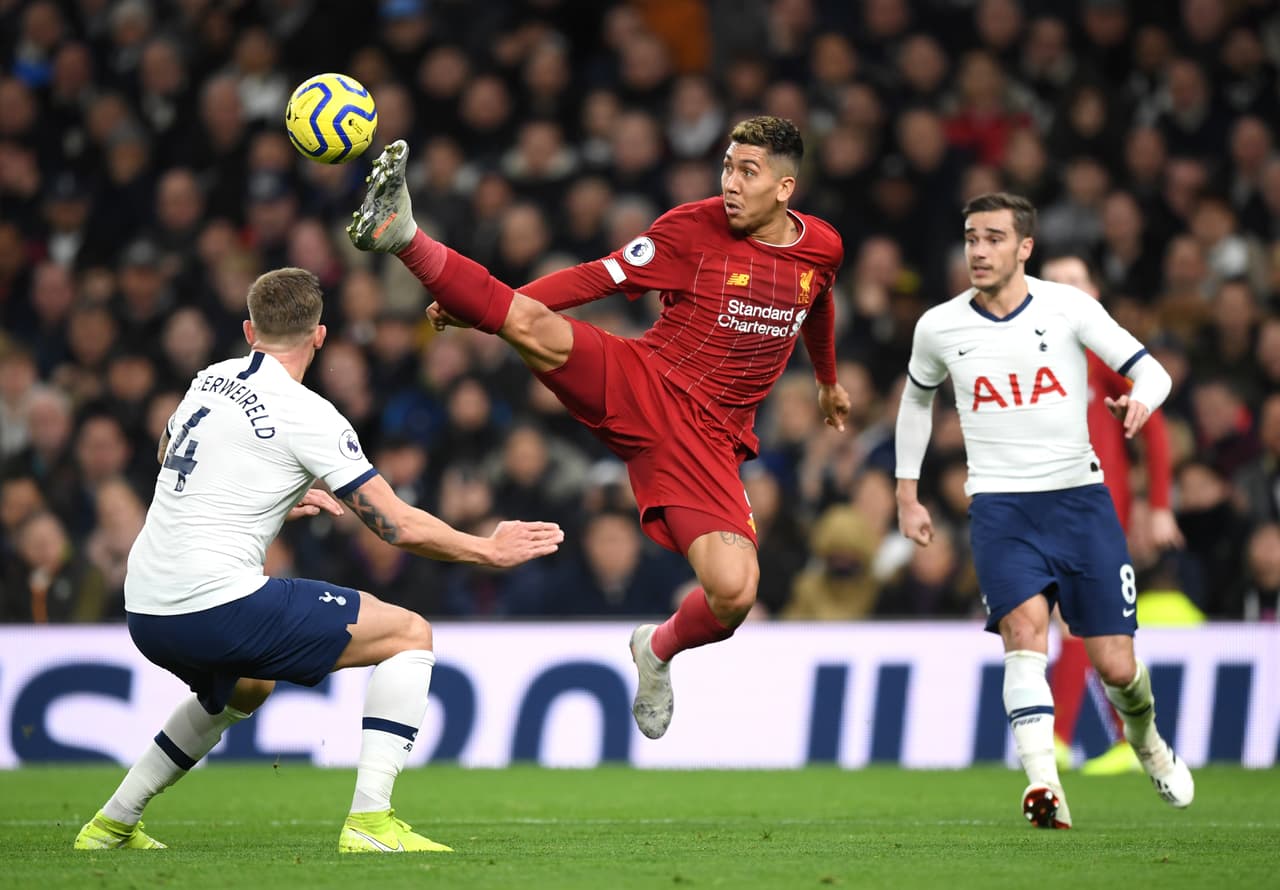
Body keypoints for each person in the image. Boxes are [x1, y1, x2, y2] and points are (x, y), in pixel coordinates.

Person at [347, 117, 849, 740]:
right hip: (645, 382)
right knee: (530, 324)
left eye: (748, 172)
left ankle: (655, 649)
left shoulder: (822, 247)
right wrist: (490, 310)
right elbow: (598, 276)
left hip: (709, 442)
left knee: (734, 593)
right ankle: (403, 234)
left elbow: (818, 300)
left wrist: (826, 380)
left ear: (785, 187)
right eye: (727, 166)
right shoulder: (691, 229)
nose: (731, 183)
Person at [73, 268, 563, 854]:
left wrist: (271, 491)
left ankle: (112, 824)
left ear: (250, 331)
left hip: (145, 608)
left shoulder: (210, 379)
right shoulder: (309, 414)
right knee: (409, 634)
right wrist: (487, 548)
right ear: (320, 336)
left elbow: (169, 454)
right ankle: (371, 822)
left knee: (249, 686)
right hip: (213, 605)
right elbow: (396, 525)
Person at [894, 192, 1193, 829]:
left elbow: (1155, 373)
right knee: (1023, 634)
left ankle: (1148, 743)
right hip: (1000, 508)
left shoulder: (1068, 308)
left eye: (994, 238)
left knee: (1116, 665)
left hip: (1080, 503)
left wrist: (1142, 401)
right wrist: (906, 491)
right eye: (972, 238)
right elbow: (916, 401)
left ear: (1025, 247)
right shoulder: (939, 326)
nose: (979, 251)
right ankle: (1044, 785)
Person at [1039, 254, 1183, 776]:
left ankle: (1064, 738)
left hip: (1096, 505)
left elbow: (1154, 426)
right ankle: (1127, 739)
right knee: (1082, 622)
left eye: (1075, 280)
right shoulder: (1029, 353)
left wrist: (1159, 505)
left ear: (1094, 290)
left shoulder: (1102, 351)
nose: (1065, 290)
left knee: (1081, 619)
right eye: (1054, 282)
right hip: (1043, 504)